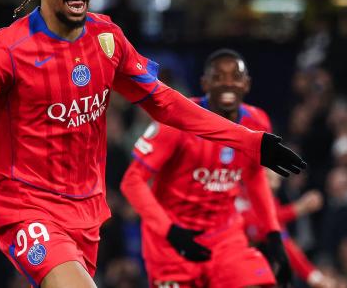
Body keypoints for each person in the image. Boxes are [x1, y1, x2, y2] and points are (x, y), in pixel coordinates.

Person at [0, 0, 305, 288]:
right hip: (25, 208)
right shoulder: (4, 52)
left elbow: (166, 103)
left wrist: (251, 142)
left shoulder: (107, 39)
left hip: (87, 214)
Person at [120, 49, 291, 288]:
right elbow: (132, 181)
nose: (227, 84)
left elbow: (254, 178)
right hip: (172, 245)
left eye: (235, 76)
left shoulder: (257, 122)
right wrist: (169, 231)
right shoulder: (175, 120)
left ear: (247, 84)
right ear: (204, 83)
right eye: (218, 77)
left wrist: (273, 236)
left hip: (225, 240)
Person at [241, 169, 335, 288]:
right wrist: (299, 208)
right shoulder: (239, 196)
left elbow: (284, 243)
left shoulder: (273, 203)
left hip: (258, 270)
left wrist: (314, 277)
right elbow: (258, 223)